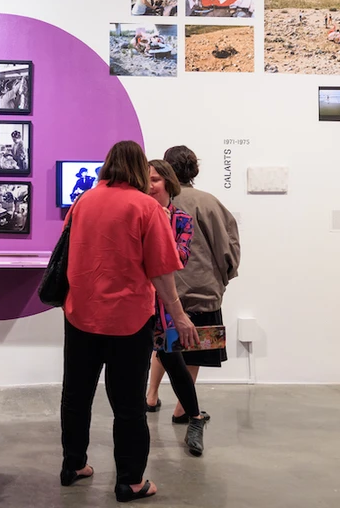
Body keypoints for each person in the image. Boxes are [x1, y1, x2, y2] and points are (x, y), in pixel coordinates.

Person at [59, 140, 199, 503]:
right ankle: (130, 482)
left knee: (76, 395)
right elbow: (162, 272)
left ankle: (73, 465)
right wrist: (180, 317)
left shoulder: (82, 202)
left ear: (107, 165)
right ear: (138, 168)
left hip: (80, 316)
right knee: (128, 405)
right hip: (128, 321)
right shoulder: (145, 208)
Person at [163, 146, 241, 413]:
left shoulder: (161, 201)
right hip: (200, 290)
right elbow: (226, 246)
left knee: (162, 343)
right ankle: (182, 408)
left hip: (162, 289)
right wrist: (226, 276)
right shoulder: (208, 202)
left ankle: (150, 396)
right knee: (192, 347)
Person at [144, 160, 208, 456]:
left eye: (155, 179)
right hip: (138, 304)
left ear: (168, 183)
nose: (150, 185)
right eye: (146, 180)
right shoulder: (139, 213)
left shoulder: (181, 218)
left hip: (165, 304)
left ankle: (194, 418)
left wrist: (158, 229)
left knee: (174, 360)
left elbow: (178, 258)